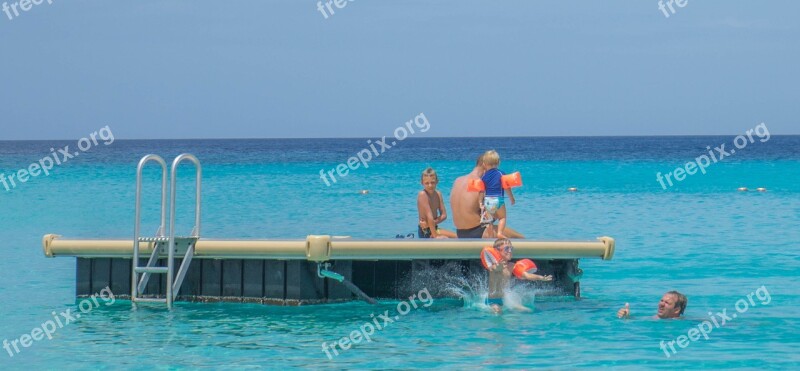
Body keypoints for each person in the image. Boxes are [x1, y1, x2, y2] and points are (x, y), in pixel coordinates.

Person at [450, 154, 524, 239]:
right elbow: (491, 215)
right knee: (520, 239)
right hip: (479, 232)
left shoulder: (458, 180)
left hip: (460, 233)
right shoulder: (480, 183)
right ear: (484, 165)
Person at [486, 238, 552, 314]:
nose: (510, 251)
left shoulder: (511, 266)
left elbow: (526, 275)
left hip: (505, 300)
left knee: (528, 311)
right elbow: (497, 268)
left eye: (511, 248)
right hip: (493, 300)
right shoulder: (493, 265)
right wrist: (499, 266)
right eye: (506, 248)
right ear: (497, 251)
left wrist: (541, 278)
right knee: (498, 312)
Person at [478, 150, 515, 239]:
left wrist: (480, 202)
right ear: (498, 162)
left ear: (484, 164)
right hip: (498, 199)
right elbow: (506, 187)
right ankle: (499, 233)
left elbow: (481, 190)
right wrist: (511, 198)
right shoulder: (501, 173)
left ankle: (490, 236)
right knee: (502, 218)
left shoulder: (483, 176)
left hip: (487, 200)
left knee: (489, 220)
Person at [417, 167, 456, 239]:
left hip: (434, 228)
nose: (430, 185)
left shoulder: (438, 194)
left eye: (432, 182)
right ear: (422, 183)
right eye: (427, 183)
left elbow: (444, 215)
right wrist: (436, 236)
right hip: (425, 231)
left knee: (457, 237)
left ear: (437, 181)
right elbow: (429, 216)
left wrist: (430, 223)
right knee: (449, 238)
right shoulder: (422, 195)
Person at [616, 291, 687, 319]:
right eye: (661, 300)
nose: (661, 304)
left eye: (667, 303)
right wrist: (626, 317)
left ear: (676, 310)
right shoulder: (654, 318)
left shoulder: (683, 322)